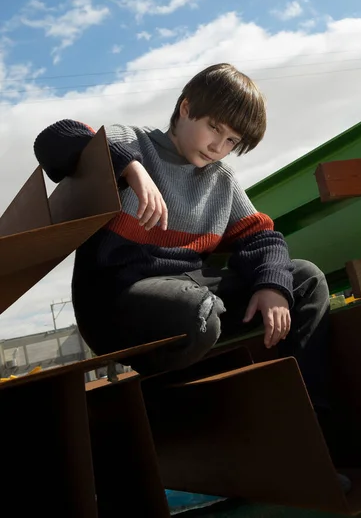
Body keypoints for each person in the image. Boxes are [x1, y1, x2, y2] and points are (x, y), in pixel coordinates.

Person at [34, 62, 330, 414]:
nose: (218, 146)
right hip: (117, 302)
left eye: (231, 140)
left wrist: (272, 287)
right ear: (186, 108)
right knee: (197, 310)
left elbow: (262, 238)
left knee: (304, 279)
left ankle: (314, 413)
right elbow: (53, 139)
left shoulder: (221, 181)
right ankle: (179, 411)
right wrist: (130, 168)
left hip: (191, 291)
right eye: (214, 128)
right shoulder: (129, 142)